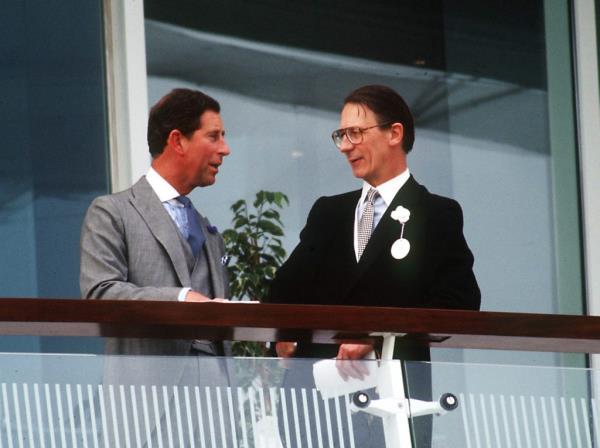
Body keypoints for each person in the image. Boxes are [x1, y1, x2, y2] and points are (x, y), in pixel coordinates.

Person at [268, 84, 481, 446]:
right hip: (318, 405)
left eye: (356, 133)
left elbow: (459, 303)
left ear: (394, 133)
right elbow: (283, 293)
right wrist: (283, 336)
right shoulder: (329, 212)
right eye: (341, 135)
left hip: (394, 399)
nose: (346, 145)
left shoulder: (436, 214)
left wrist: (375, 336)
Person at [80, 88, 231, 356]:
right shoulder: (112, 212)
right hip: (144, 394)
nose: (225, 149)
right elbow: (100, 295)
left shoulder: (210, 234)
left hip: (214, 394)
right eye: (213, 136)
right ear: (177, 141)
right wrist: (181, 299)